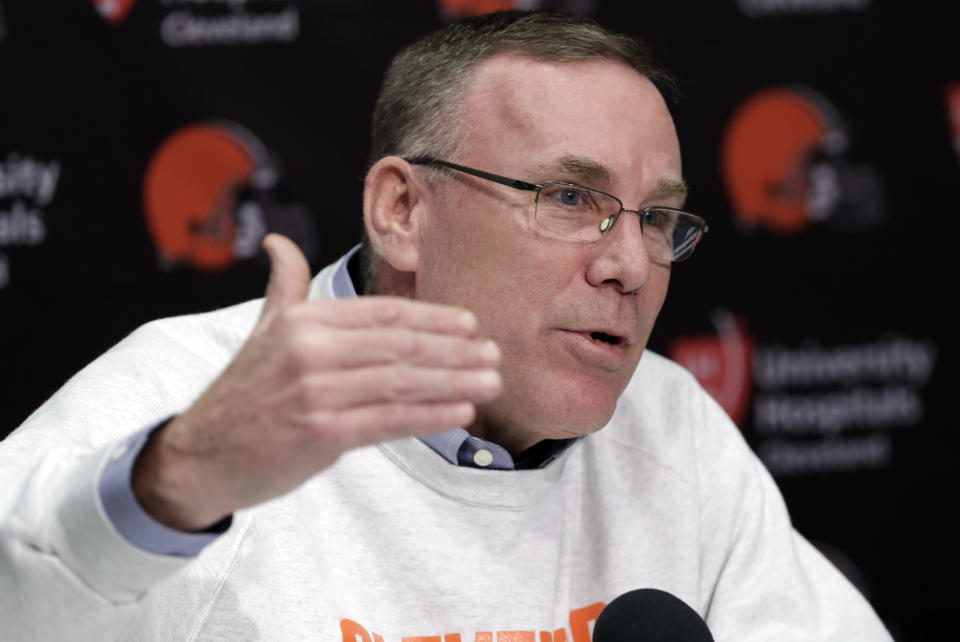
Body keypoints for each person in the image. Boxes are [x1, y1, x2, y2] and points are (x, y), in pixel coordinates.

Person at [0, 10, 890, 641]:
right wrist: (182, 477)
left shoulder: (671, 425)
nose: (629, 264)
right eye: (571, 197)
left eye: (657, 218)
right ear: (400, 211)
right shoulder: (192, 396)